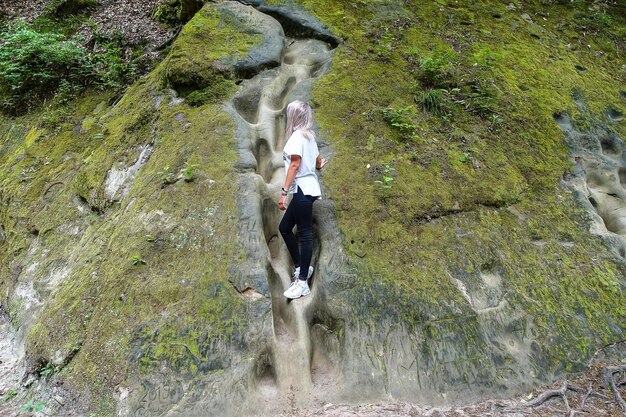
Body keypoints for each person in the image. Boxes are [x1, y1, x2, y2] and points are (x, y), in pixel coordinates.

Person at [278, 100, 327, 299]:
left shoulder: (297, 136)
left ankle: (302, 283)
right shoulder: (309, 138)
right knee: (284, 228)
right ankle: (302, 268)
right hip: (307, 190)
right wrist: (318, 165)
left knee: (305, 234)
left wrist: (283, 192)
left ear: (294, 117)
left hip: (302, 190)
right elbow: (317, 162)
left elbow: (294, 165)